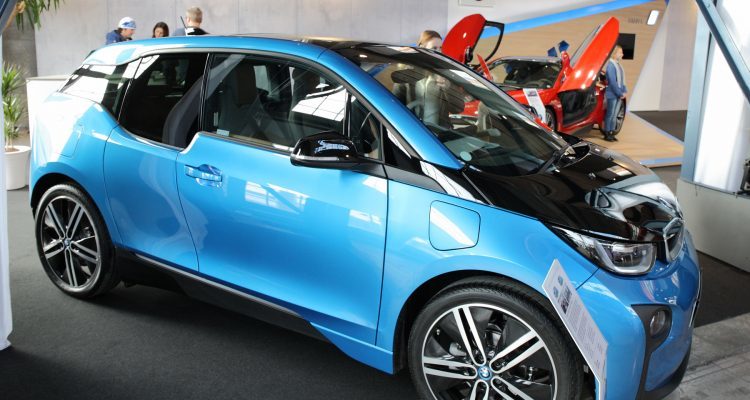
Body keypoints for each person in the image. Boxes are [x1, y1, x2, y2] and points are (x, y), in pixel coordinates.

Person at [603, 44, 627, 142]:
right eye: (620, 52)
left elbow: (622, 81)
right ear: (615, 53)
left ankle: (612, 132)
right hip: (612, 94)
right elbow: (613, 82)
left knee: (615, 114)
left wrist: (624, 91)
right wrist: (620, 93)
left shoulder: (618, 65)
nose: (622, 54)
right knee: (610, 114)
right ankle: (607, 133)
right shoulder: (611, 65)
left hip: (618, 94)